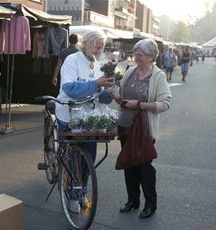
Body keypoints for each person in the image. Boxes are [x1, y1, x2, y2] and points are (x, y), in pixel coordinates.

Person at [55, 30, 116, 212]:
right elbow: (71, 89)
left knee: (89, 157)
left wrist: (110, 91)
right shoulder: (72, 60)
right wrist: (97, 84)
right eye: (97, 46)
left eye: (102, 47)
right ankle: (71, 195)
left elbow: (101, 97)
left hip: (89, 117)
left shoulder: (99, 64)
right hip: (69, 113)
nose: (99, 50)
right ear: (86, 43)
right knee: (73, 157)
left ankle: (81, 191)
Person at [112, 39, 172, 219]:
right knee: (129, 164)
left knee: (145, 167)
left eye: (140, 54)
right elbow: (122, 97)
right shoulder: (130, 71)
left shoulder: (158, 76)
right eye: (135, 53)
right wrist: (117, 97)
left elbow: (165, 103)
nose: (136, 56)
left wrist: (139, 104)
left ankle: (150, 205)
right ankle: (132, 200)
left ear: (151, 56)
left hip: (144, 129)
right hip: (126, 126)